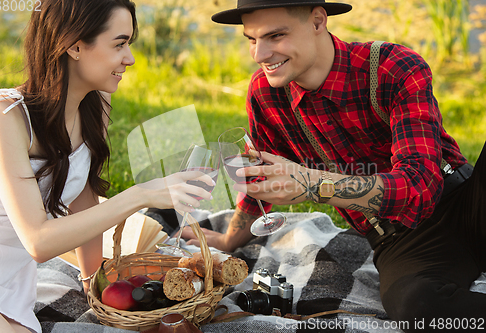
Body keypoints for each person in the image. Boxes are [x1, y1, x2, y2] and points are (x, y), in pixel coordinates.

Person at [179, 0, 486, 330]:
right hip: (398, 240)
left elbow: (421, 186)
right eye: (252, 40)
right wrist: (229, 240)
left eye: (276, 36)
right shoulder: (265, 94)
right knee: (417, 305)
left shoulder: (393, 67)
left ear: (317, 21)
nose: (260, 55)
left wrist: (312, 184)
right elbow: (262, 181)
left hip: (465, 201)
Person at [0, 1, 214, 332]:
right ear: (75, 46)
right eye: (119, 43)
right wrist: (139, 195)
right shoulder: (5, 115)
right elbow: (38, 241)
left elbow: (82, 191)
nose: (130, 58)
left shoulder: (96, 104)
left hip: (12, 280)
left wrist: (93, 277)